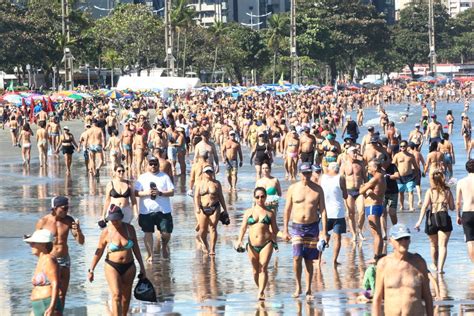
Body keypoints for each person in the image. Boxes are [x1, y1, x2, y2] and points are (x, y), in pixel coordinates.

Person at [88, 206, 146, 316]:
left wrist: (142, 267)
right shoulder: (106, 232)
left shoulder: (130, 229)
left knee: (126, 297)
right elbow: (99, 251)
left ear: (122, 217)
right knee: (116, 295)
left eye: (116, 219)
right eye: (112, 219)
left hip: (129, 266)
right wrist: (91, 269)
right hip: (112, 266)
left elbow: (136, 249)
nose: (114, 221)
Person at [282, 162, 328, 300]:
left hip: (312, 226)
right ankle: (298, 286)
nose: (306, 176)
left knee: (309, 260)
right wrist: (285, 229)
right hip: (297, 227)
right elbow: (287, 209)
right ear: (299, 173)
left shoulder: (318, 189)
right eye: (304, 173)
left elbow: (323, 211)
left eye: (309, 173)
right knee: (297, 257)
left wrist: (324, 231)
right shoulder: (293, 188)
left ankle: (308, 289)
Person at [372, 224, 433, 316]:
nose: (403, 242)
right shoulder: (383, 264)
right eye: (399, 239)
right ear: (390, 241)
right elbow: (377, 298)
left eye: (406, 238)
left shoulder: (419, 263)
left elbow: (428, 296)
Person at [35, 196, 85, 309]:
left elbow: (81, 242)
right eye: (64, 208)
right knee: (50, 292)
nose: (67, 210)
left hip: (64, 260)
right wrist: (41, 262)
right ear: (54, 208)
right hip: (50, 260)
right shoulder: (43, 222)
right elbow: (35, 246)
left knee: (62, 295)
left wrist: (79, 231)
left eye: (68, 208)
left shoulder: (69, 220)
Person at [236, 187, 279, 300]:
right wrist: (239, 240)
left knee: (263, 268)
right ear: (254, 198)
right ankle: (260, 287)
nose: (260, 199)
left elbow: (275, 230)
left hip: (266, 243)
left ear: (265, 197)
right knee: (255, 271)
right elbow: (243, 228)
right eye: (257, 197)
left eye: (262, 196)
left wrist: (284, 235)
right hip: (251, 245)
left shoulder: (270, 213)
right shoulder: (248, 212)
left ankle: (260, 292)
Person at [135, 156, 175, 261]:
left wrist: (160, 193)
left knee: (166, 233)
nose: (153, 166)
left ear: (158, 165)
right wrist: (146, 193)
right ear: (147, 165)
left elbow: (172, 192)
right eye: (151, 164)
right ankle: (150, 255)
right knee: (148, 233)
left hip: (163, 210)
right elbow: (135, 193)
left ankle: (164, 245)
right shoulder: (142, 177)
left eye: (155, 164)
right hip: (146, 211)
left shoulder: (164, 176)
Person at [415, 170, 454, 274]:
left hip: (432, 219)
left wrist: (419, 221)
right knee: (443, 246)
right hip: (444, 218)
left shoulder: (430, 191)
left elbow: (424, 207)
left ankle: (435, 264)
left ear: (432, 180)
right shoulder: (447, 191)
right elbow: (452, 207)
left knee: (433, 245)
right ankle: (441, 269)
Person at [25, 229, 62, 316]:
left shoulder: (49, 259)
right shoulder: (41, 260)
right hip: (38, 305)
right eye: (30, 243)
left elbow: (55, 284)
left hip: (47, 304)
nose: (31, 246)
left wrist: (52, 307)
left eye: (33, 243)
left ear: (42, 244)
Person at [193, 165, 229, 255]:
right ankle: (205, 244)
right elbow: (196, 196)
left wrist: (225, 209)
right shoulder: (199, 183)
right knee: (202, 230)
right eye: (207, 172)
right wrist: (197, 207)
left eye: (210, 171)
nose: (209, 173)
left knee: (213, 228)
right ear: (203, 173)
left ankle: (212, 249)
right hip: (202, 208)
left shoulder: (216, 183)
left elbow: (221, 196)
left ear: (213, 172)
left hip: (214, 207)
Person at [320, 162, 347, 266]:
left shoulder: (322, 177)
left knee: (322, 235)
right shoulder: (341, 178)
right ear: (338, 169)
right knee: (337, 237)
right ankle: (334, 260)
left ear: (329, 169)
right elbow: (345, 195)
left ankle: (319, 259)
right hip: (338, 212)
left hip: (324, 212)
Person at [359, 160, 386, 260]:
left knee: (376, 234)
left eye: (369, 167)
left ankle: (376, 256)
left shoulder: (375, 178)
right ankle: (378, 255)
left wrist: (364, 188)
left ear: (375, 168)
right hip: (377, 205)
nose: (368, 168)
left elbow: (361, 191)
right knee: (378, 233)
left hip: (372, 206)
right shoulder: (381, 176)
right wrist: (367, 189)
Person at [340, 146, 366, 241]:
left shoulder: (360, 164)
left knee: (362, 212)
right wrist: (342, 192)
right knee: (351, 214)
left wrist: (366, 190)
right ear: (348, 154)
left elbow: (365, 179)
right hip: (348, 191)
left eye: (356, 152)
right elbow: (341, 180)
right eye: (353, 152)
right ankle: (354, 234)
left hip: (359, 191)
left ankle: (360, 230)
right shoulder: (344, 165)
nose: (355, 154)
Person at [456, 159, 474, 263]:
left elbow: (458, 202)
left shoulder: (461, 182)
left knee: (470, 241)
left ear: (467, 169)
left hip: (467, 213)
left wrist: (458, 215)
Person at [392, 140, 419, 212]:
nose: (402, 147)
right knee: (401, 192)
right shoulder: (397, 155)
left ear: (407, 146)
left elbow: (416, 167)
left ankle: (411, 207)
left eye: (404, 146)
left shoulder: (411, 156)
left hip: (409, 177)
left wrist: (416, 175)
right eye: (401, 146)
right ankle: (402, 206)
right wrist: (395, 174)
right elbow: (393, 166)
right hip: (400, 177)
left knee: (410, 191)